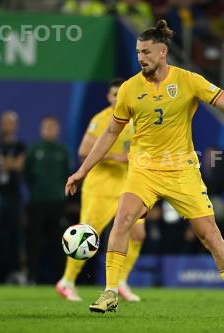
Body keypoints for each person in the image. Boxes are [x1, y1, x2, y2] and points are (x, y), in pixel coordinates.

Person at [65, 20, 224, 319]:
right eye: (137, 52)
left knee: (209, 234)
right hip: (143, 169)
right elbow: (109, 134)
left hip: (181, 171)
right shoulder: (130, 89)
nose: (140, 57)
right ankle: (109, 292)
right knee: (123, 222)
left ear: (162, 52)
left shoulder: (188, 81)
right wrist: (83, 170)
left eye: (146, 52)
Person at [56, 79, 146, 302]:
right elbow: (83, 151)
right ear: (108, 97)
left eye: (120, 94)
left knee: (137, 234)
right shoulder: (101, 119)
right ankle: (66, 281)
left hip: (128, 185)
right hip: (101, 186)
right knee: (87, 237)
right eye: (114, 94)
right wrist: (117, 157)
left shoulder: (136, 118)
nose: (117, 98)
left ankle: (121, 281)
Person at [25, 116, 71, 283]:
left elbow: (68, 173)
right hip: (38, 202)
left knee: (59, 242)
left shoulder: (62, 151)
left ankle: (62, 278)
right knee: (34, 241)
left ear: (57, 130)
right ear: (41, 129)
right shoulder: (34, 150)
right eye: (47, 127)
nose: (49, 130)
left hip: (57, 203)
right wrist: (35, 191)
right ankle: (31, 277)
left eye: (53, 127)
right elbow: (27, 173)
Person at [0, 111, 26, 284]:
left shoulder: (20, 145)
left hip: (13, 197)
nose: (6, 126)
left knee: (15, 234)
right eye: (4, 122)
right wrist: (10, 164)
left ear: (16, 126)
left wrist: (6, 164)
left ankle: (15, 272)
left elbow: (19, 165)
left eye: (10, 123)